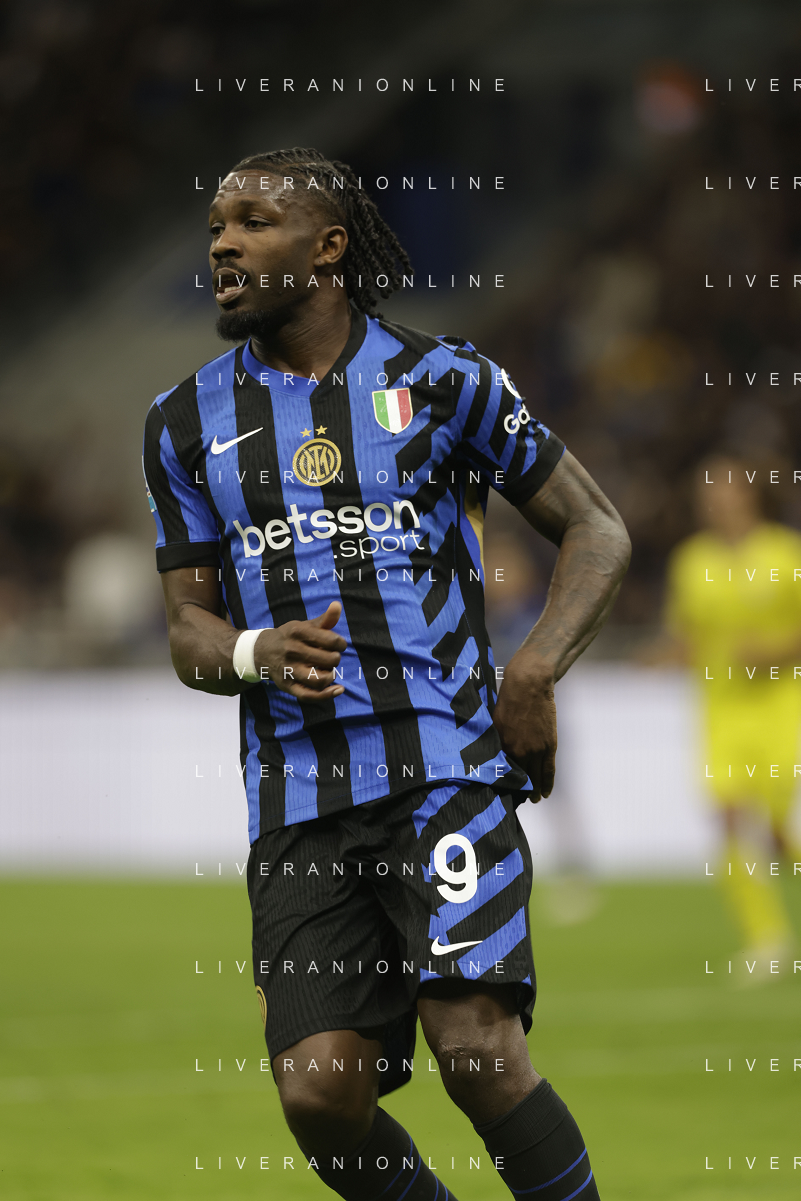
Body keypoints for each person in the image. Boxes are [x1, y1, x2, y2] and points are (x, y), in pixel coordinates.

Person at [142, 147, 630, 1200]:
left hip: (445, 765)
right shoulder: (181, 423)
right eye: (217, 224)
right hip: (299, 796)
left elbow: (597, 528)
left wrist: (533, 671)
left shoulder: (444, 381)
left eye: (253, 221)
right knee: (320, 1094)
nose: (223, 243)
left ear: (327, 248)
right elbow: (186, 627)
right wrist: (253, 652)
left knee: (476, 1045)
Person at [665, 455, 801, 964]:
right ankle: (767, 940)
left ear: (750, 494)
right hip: (720, 712)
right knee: (727, 820)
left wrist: (775, 652)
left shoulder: (786, 554)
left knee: (779, 835)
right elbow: (687, 634)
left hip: (781, 709)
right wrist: (666, 656)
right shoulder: (691, 561)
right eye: (709, 494)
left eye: (726, 491)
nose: (717, 502)